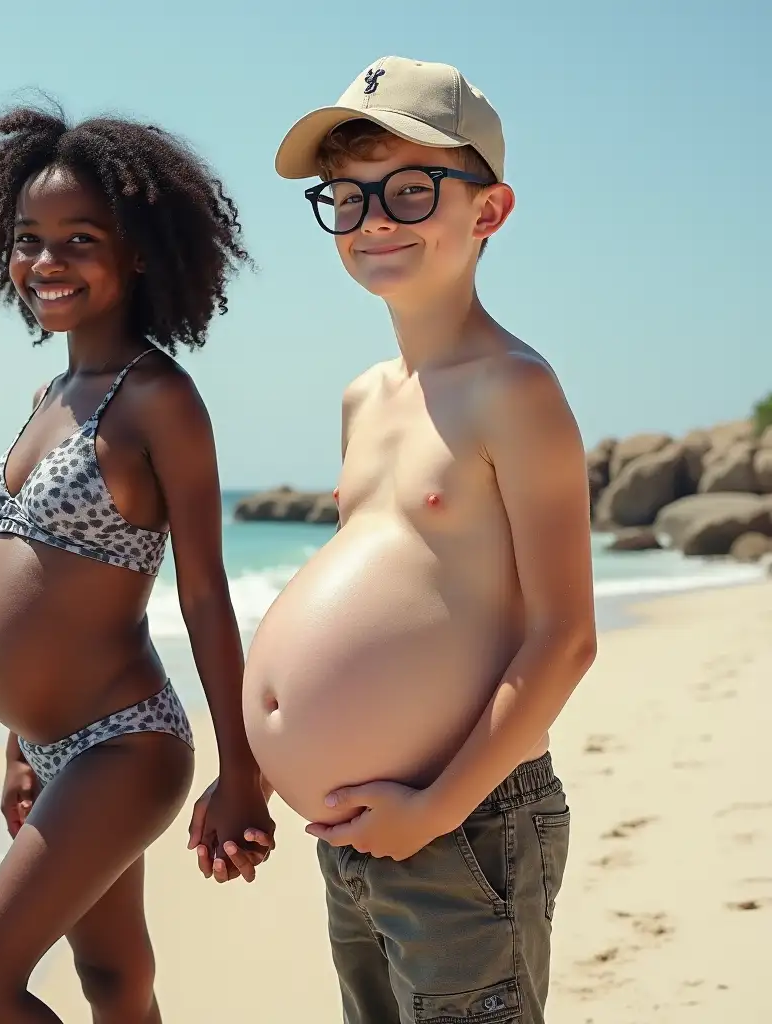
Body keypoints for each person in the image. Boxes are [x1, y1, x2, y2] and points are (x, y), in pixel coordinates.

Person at [189, 57, 597, 1023]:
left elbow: (564, 637)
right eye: (347, 195)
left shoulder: (515, 388)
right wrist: (250, 767)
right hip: (358, 835)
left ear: (487, 213)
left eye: (411, 191)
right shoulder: (364, 398)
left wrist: (441, 807)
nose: (374, 217)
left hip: (465, 823)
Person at [0, 105, 274, 1024]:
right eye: (29, 240)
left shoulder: (159, 398)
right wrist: (18, 745)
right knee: (115, 984)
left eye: (78, 240)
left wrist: (243, 771)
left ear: (135, 253)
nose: (46, 262)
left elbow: (204, 595)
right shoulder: (52, 392)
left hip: (123, 746)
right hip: (54, 752)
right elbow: (43, 592)